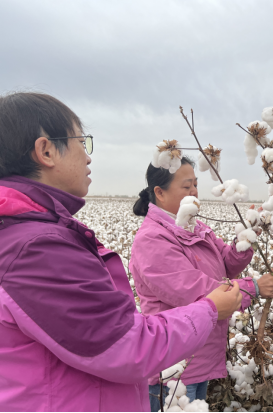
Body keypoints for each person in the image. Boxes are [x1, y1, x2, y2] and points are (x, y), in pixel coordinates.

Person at [0, 92, 243, 412]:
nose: (88, 158)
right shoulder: (37, 248)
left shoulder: (34, 234)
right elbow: (124, 344)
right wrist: (212, 308)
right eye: (81, 142)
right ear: (46, 151)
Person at [130, 157, 273, 410]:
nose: (194, 192)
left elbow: (225, 262)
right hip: (174, 366)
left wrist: (244, 240)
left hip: (199, 354)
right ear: (159, 192)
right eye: (186, 186)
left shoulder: (194, 226)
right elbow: (197, 292)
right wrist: (254, 288)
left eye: (195, 185)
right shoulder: (152, 240)